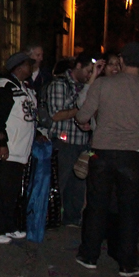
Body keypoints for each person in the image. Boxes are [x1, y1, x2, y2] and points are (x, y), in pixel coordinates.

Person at [75, 43, 139, 276]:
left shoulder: (104, 85)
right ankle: (127, 262)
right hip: (134, 154)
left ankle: (89, 255)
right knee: (130, 209)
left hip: (103, 151)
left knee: (97, 206)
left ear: (122, 61)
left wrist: (85, 120)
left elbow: (83, 115)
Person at [0, 52, 37, 243]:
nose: (30, 68)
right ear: (18, 67)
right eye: (27, 65)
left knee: (12, 193)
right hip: (7, 151)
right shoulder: (5, 89)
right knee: (1, 192)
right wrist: (2, 144)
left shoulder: (23, 88)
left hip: (19, 151)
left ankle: (10, 226)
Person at [45, 52, 95, 227]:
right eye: (89, 71)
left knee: (78, 184)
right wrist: (81, 111)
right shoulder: (60, 84)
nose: (90, 75)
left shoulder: (85, 87)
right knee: (59, 181)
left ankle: (72, 218)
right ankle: (51, 216)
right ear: (78, 66)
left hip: (81, 141)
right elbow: (56, 115)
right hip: (63, 141)